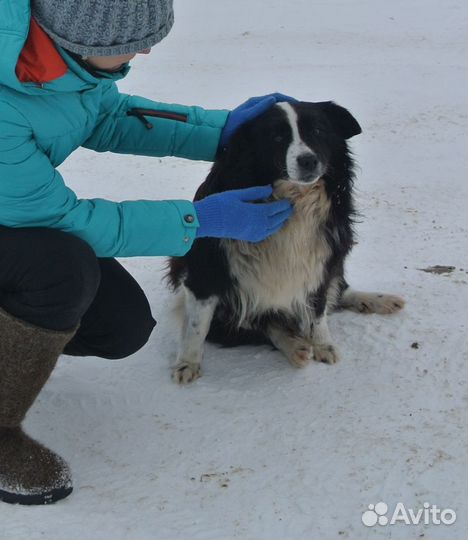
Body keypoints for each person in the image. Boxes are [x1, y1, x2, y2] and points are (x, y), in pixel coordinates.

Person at [0, 0, 295, 505]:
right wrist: (198, 219)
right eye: (133, 43)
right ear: (87, 40)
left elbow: (107, 115)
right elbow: (60, 221)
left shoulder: (52, 58)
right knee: (60, 270)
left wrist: (221, 130)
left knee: (119, 325)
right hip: (23, 219)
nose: (147, 49)